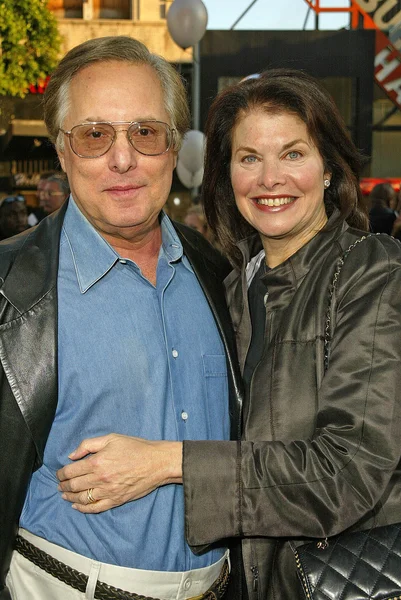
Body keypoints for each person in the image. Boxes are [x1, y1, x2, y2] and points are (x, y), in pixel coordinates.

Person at [60, 69, 401, 599]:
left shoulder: (373, 272)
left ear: (330, 168)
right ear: (228, 174)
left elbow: (349, 470)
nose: (270, 179)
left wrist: (165, 462)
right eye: (249, 158)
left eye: (293, 154)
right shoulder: (230, 284)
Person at [0, 36, 243, 600]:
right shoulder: (10, 288)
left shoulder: (219, 274)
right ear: (62, 152)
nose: (123, 158)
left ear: (172, 148)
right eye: (94, 135)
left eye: (145, 132)